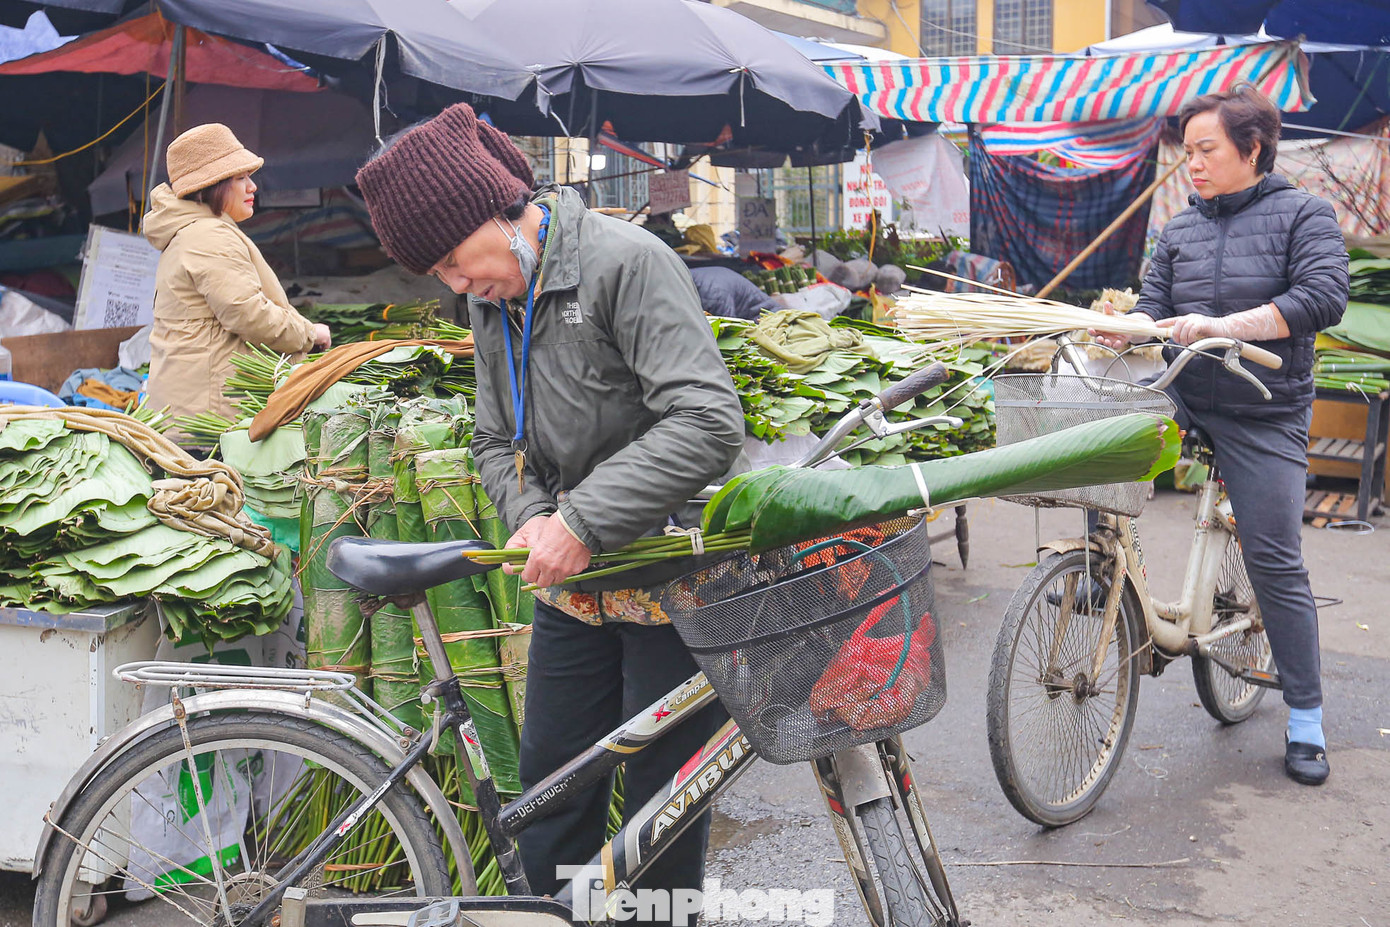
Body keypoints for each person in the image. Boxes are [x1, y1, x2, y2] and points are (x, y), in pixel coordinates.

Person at [355, 104, 746, 920]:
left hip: (668, 568)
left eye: (459, 263)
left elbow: (707, 420)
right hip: (574, 580)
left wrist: (582, 520)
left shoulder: (625, 263)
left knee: (661, 799)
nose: (460, 286)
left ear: (502, 213)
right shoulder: (494, 298)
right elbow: (495, 438)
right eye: (445, 278)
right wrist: (534, 514)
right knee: (555, 780)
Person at [1095, 83, 1348, 786]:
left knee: (1274, 558)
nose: (1193, 164)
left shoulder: (1306, 214)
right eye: (1189, 150)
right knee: (1092, 436)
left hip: (1263, 406)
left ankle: (1305, 716)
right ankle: (1100, 567)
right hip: (1185, 393)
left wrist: (1227, 326)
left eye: (1206, 150)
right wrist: (1124, 326)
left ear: (1253, 147)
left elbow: (1322, 297)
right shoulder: (1180, 228)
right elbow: (1154, 308)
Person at [144, 123, 330, 447]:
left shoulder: (191, 232)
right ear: (212, 185)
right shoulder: (209, 236)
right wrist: (309, 334)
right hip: (209, 417)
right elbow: (249, 315)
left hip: (189, 413)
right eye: (240, 177)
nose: (252, 186)